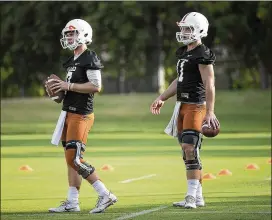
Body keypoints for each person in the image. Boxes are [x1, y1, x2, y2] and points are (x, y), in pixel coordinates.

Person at [45, 19, 117, 214]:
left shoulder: (89, 57)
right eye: (67, 34)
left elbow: (96, 86)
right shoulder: (72, 61)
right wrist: (57, 93)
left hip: (81, 114)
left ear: (84, 34)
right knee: (70, 159)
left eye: (73, 33)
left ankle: (105, 194)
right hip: (68, 112)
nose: (69, 37)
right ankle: (72, 201)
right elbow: (67, 92)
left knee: (75, 159)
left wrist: (67, 86)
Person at [150, 12, 220, 209]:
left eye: (188, 28)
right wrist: (162, 97)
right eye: (182, 28)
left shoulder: (202, 53)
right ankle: (197, 196)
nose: (183, 32)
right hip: (181, 105)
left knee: (190, 147)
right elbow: (178, 80)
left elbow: (210, 84)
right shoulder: (185, 52)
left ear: (199, 30)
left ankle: (191, 197)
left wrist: (210, 111)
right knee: (187, 150)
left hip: (196, 105)